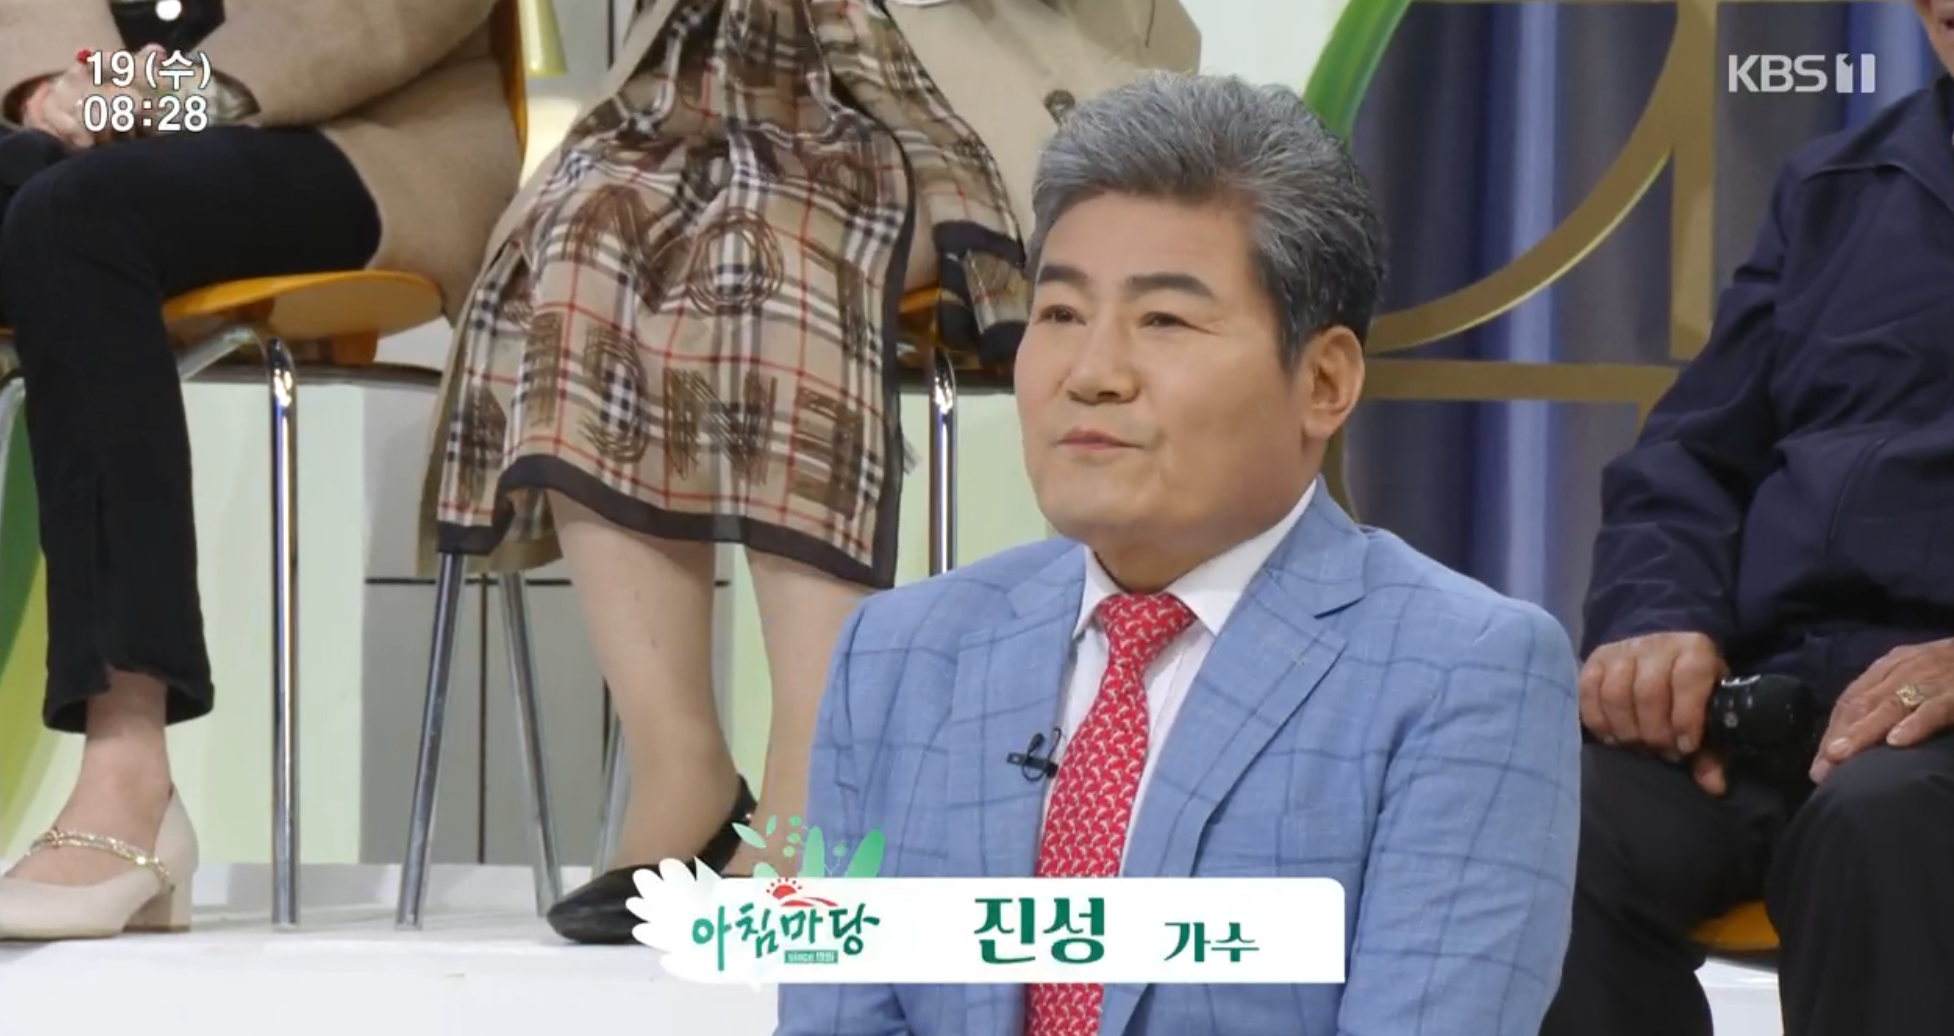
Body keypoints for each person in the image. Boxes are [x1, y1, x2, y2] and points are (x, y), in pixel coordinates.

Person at [775, 73, 1583, 1036]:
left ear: (1323, 381)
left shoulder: (1463, 672)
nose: (1092, 375)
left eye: (1163, 320)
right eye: (1060, 315)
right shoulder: (898, 654)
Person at [419, 0, 1200, 945]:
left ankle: (817, 784)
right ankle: (682, 773)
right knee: (582, 238)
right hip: (704, 73)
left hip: (937, 79)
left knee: (781, 245)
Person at [0, 0, 518, 940]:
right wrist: (46, 87)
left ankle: (129, 785)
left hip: (350, 128)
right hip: (94, 129)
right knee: (57, 197)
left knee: (74, 216)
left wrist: (174, 94)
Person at [1540, 9, 1954, 1035]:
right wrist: (1656, 619)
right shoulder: (1836, 187)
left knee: (1882, 824)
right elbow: (1690, 455)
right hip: (1780, 698)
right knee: (1541, 819)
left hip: (1924, 742)